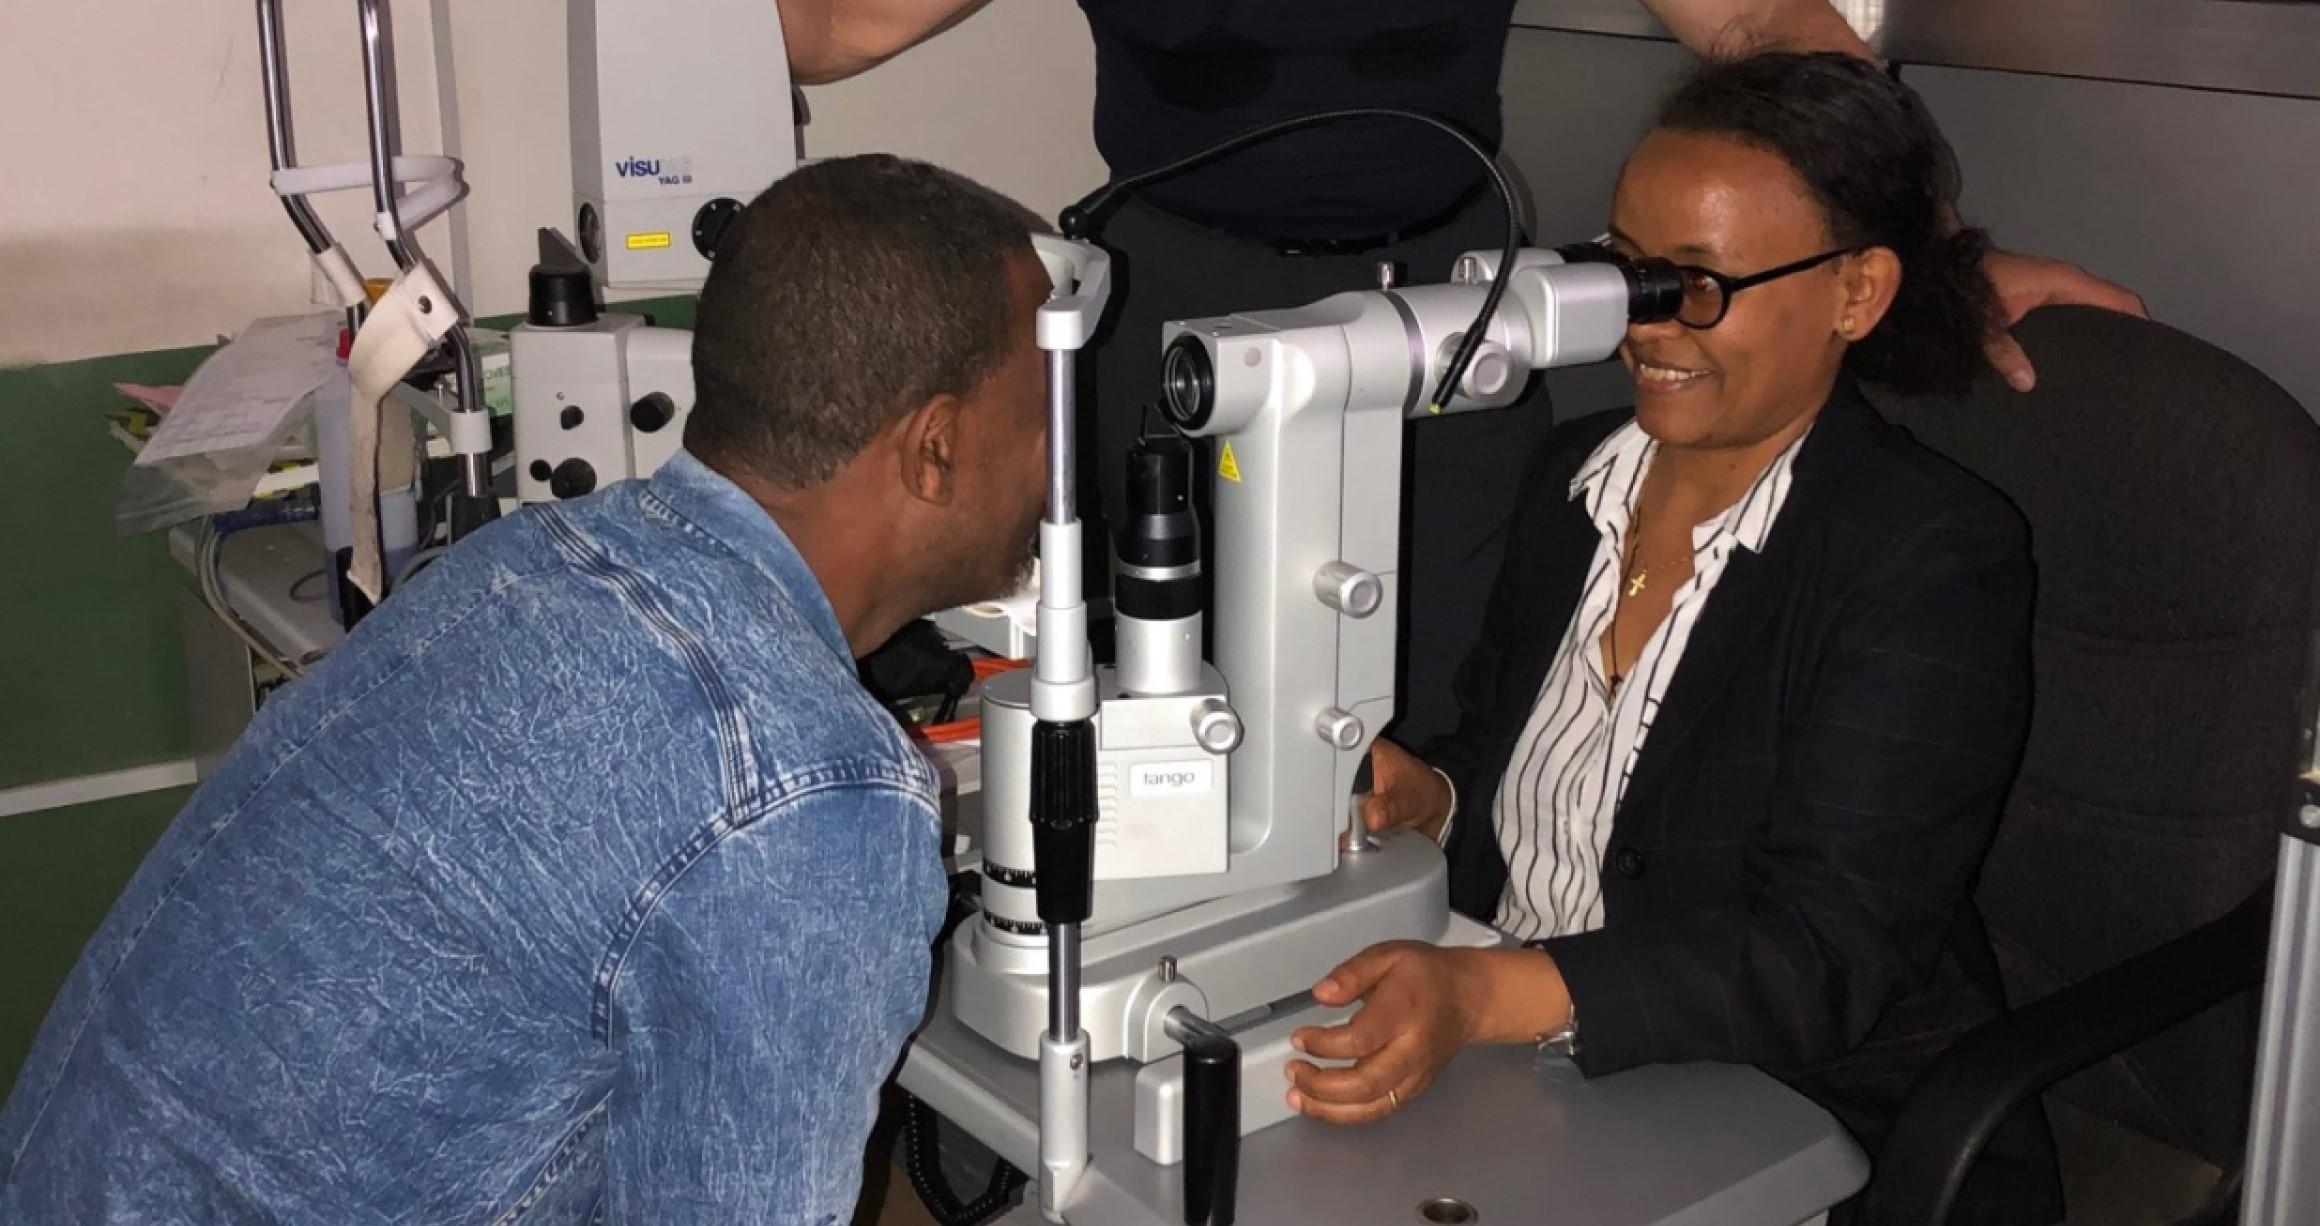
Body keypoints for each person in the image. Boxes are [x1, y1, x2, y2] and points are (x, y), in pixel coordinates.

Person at [0, 155, 1052, 1223]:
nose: (1056, 453)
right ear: (935, 447)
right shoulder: (802, 791)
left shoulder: (523, 562)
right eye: (1038, 408)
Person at [775, 0, 2144, 743]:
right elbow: (825, 27)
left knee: (1435, 722)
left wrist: (1938, 249)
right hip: (1182, 307)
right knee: (1158, 714)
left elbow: (1765, 26)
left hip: (1445, 316)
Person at [1289, 53, 2062, 1223]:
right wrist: (1433, 795)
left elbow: (1823, 951)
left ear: (1856, 292)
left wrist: (1495, 993)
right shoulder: (1571, 475)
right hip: (1529, 1066)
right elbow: (1505, 747)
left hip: (1794, 1110)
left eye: (1697, 283)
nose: (1644, 320)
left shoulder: (1927, 556)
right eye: (1628, 270)